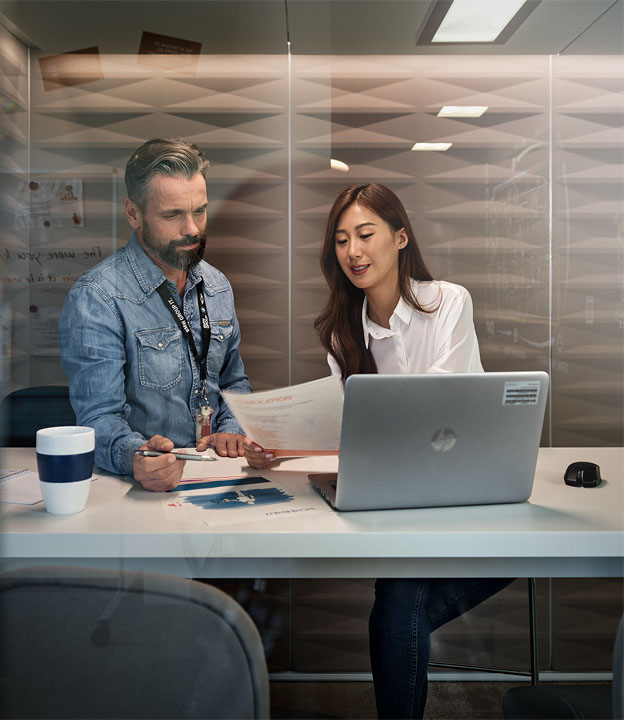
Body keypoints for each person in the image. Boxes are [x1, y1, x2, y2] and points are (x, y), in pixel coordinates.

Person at [244, 183, 512, 719]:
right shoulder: (344, 336)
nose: (353, 252)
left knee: (397, 598)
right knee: (399, 593)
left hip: (471, 493)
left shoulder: (447, 302)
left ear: (400, 237)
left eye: (365, 235)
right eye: (341, 241)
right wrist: (284, 446)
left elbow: (438, 415)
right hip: (398, 501)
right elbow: (349, 433)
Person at [59, 138, 251, 491]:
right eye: (173, 215)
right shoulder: (96, 298)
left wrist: (231, 430)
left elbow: (233, 383)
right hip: (139, 487)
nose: (192, 228)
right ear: (134, 213)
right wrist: (137, 456)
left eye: (199, 211)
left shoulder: (218, 285)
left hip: (216, 477)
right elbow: (97, 418)